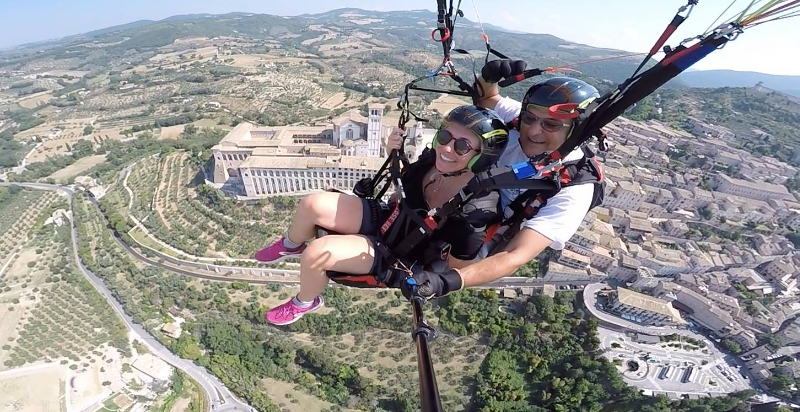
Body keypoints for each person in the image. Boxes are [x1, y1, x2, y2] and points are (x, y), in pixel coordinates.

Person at [255, 105, 509, 325]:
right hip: (392, 218)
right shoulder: (433, 159)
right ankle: (290, 244)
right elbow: (406, 184)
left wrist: (429, 279)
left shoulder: (475, 209)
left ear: (481, 157)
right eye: (445, 136)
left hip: (399, 252)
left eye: (462, 145)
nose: (448, 148)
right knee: (313, 204)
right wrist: (393, 152)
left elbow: (459, 267)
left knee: (317, 253)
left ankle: (305, 302)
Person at [397, 60, 606, 299]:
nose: (533, 131)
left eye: (550, 125)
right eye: (529, 119)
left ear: (576, 131)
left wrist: (447, 282)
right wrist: (490, 77)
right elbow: (487, 98)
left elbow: (515, 255)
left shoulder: (573, 189)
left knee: (471, 222)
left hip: (479, 237)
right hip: (451, 198)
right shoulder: (522, 118)